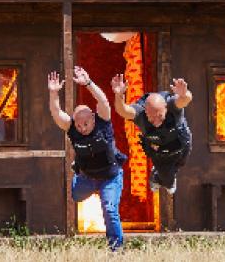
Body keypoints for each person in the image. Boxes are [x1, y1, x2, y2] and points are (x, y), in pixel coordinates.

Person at [48, 66, 126, 251]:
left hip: (110, 177)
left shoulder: (103, 122)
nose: (82, 128)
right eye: (78, 124)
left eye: (85, 123)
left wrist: (88, 83)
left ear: (92, 117)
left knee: (110, 210)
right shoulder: (73, 129)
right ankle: (79, 173)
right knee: (76, 196)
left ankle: (116, 249)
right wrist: (53, 94)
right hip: (86, 178)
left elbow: (103, 100)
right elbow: (57, 113)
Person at [111, 76, 192, 195]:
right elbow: (123, 110)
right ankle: (156, 177)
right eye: (151, 117)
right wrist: (118, 96)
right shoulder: (140, 113)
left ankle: (165, 173)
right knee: (168, 180)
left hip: (182, 144)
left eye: (160, 116)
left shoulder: (171, 105)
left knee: (180, 165)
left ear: (165, 108)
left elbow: (184, 100)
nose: (156, 121)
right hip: (160, 151)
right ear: (146, 111)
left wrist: (184, 94)